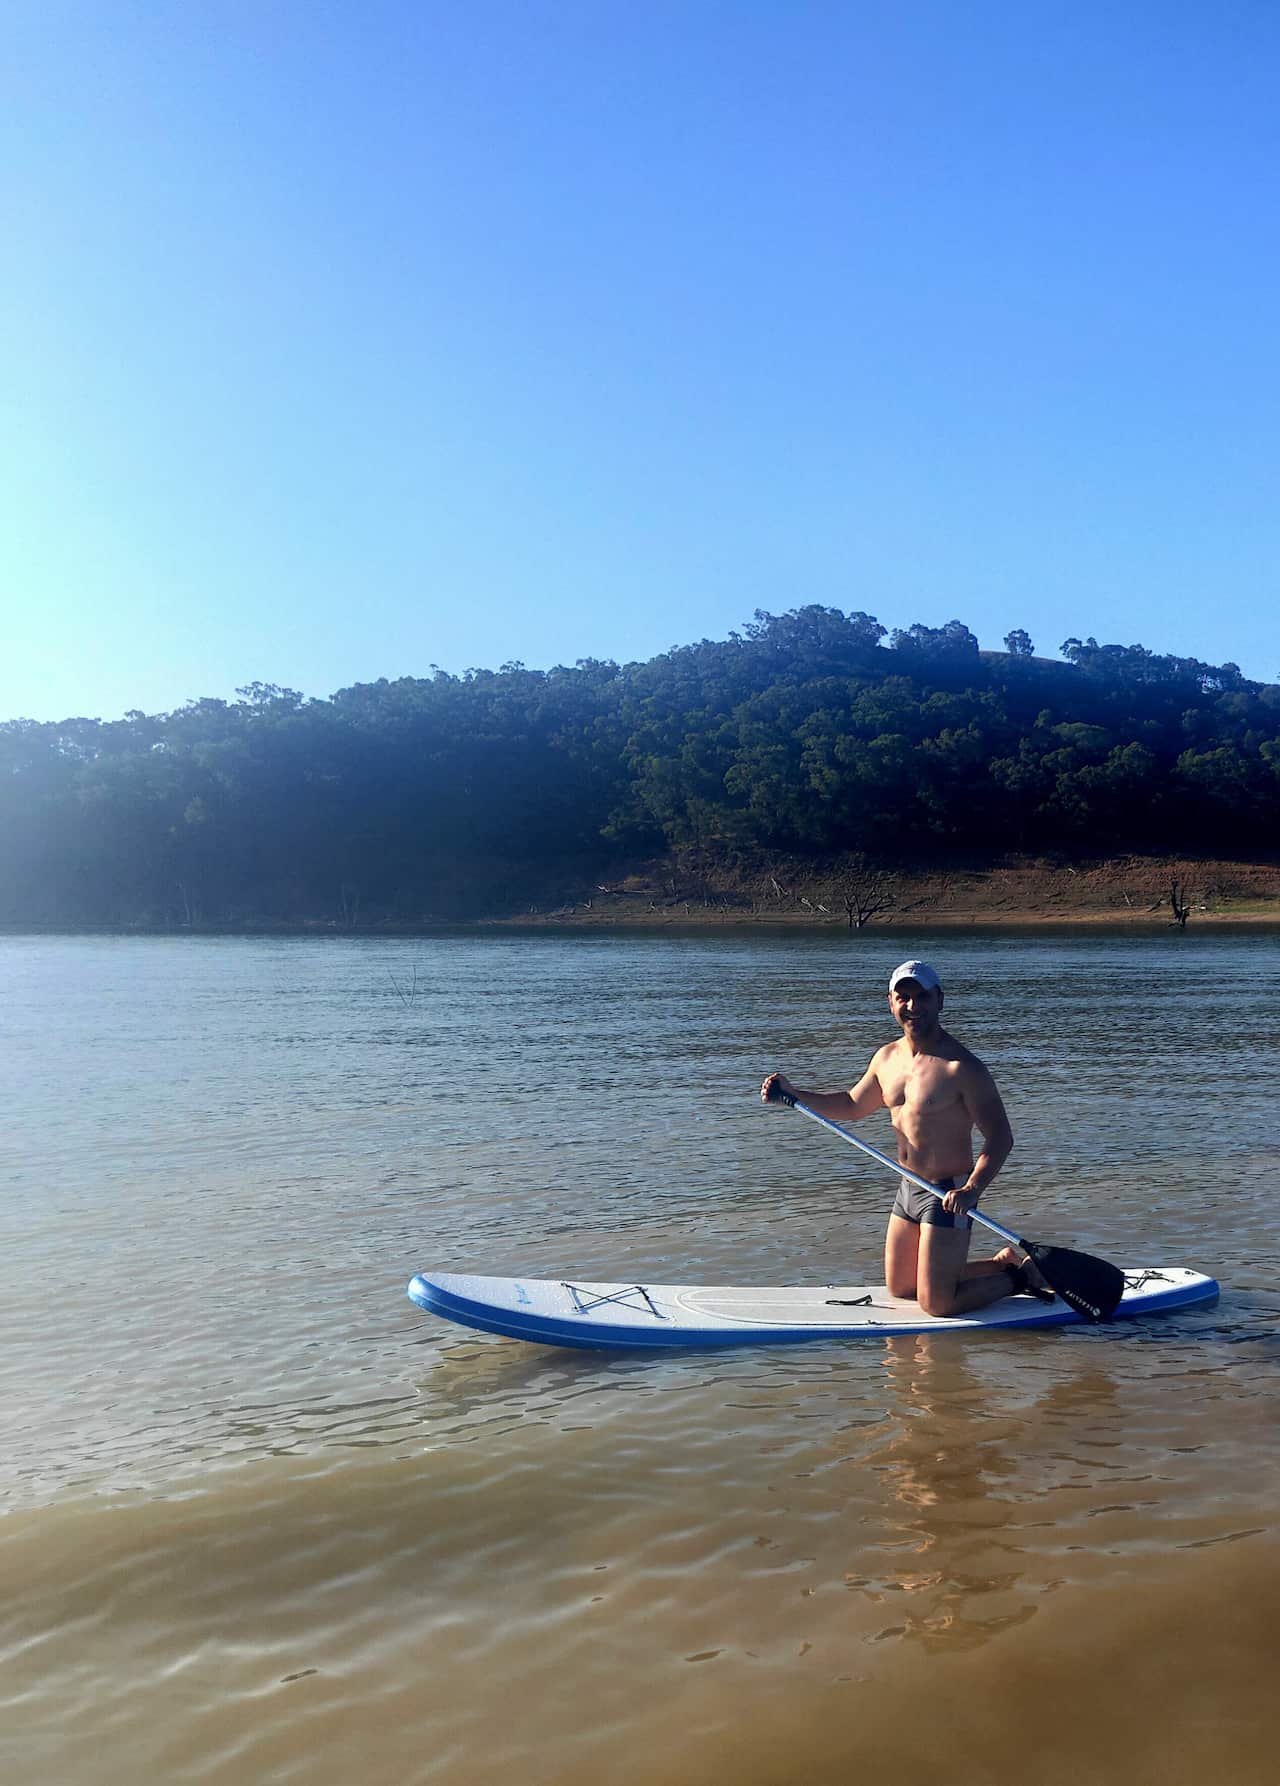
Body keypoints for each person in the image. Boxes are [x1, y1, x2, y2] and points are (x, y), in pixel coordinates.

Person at [760, 959, 1052, 1316]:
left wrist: (972, 1189)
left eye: (921, 997)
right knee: (901, 1288)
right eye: (903, 997)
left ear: (939, 1000)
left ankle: (1022, 1278)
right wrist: (795, 1095)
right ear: (891, 1002)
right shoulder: (886, 1058)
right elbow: (852, 1104)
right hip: (909, 1188)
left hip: (948, 1195)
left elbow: (1000, 1138)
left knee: (937, 1304)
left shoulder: (962, 1068)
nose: (912, 1006)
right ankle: (999, 1264)